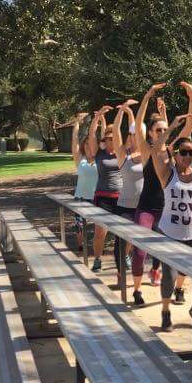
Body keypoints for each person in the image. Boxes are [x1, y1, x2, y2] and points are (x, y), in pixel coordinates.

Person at [131, 83, 192, 305]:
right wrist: (148, 94)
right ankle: (137, 291)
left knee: (180, 251)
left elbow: (188, 125)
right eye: (157, 130)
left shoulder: (171, 148)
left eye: (164, 129)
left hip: (170, 209)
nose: (161, 133)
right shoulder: (148, 150)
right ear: (150, 133)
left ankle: (179, 289)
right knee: (140, 251)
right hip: (147, 207)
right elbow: (139, 122)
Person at [150, 125, 192, 332]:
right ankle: (166, 312)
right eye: (183, 152)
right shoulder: (167, 173)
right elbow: (157, 148)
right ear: (175, 155)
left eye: (191, 152)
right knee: (170, 275)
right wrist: (173, 125)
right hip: (169, 233)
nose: (187, 156)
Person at [87, 105, 123, 274]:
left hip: (122, 197)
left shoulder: (122, 153)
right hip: (103, 196)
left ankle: (124, 258)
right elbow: (92, 135)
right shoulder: (99, 153)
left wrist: (124, 113)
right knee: (100, 231)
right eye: (108, 138)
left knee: (122, 233)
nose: (111, 140)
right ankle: (97, 259)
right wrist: (97, 117)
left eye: (113, 137)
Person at [112, 100, 144, 279]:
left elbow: (137, 128)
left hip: (143, 206)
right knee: (120, 241)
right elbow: (116, 132)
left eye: (137, 135)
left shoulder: (148, 155)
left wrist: (132, 114)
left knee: (136, 241)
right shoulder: (124, 155)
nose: (134, 137)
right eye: (132, 135)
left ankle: (129, 259)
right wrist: (122, 112)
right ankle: (120, 272)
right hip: (125, 206)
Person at [71, 113, 98, 252]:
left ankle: (97, 246)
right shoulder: (79, 159)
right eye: (86, 143)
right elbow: (74, 141)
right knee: (79, 225)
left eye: (90, 143)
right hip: (80, 197)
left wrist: (98, 120)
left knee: (99, 225)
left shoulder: (100, 159)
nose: (88, 145)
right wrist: (77, 123)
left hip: (96, 197)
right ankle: (81, 247)